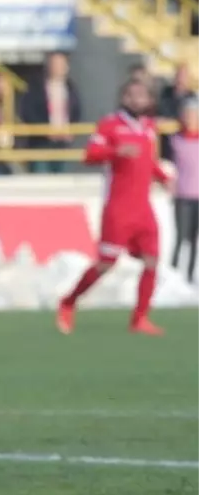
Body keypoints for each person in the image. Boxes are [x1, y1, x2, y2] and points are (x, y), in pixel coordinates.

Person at [57, 79, 174, 335]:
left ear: (149, 100)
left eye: (141, 95)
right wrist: (116, 150)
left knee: (152, 261)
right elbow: (90, 155)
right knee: (106, 264)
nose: (136, 100)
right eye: (131, 95)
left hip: (144, 208)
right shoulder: (110, 125)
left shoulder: (149, 127)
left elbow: (147, 161)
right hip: (118, 209)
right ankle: (69, 301)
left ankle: (139, 319)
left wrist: (163, 177)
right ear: (123, 98)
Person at [168, 99, 199, 284]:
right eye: (187, 114)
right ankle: (171, 276)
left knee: (194, 239)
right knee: (180, 238)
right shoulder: (174, 140)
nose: (190, 118)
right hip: (182, 196)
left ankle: (189, 277)